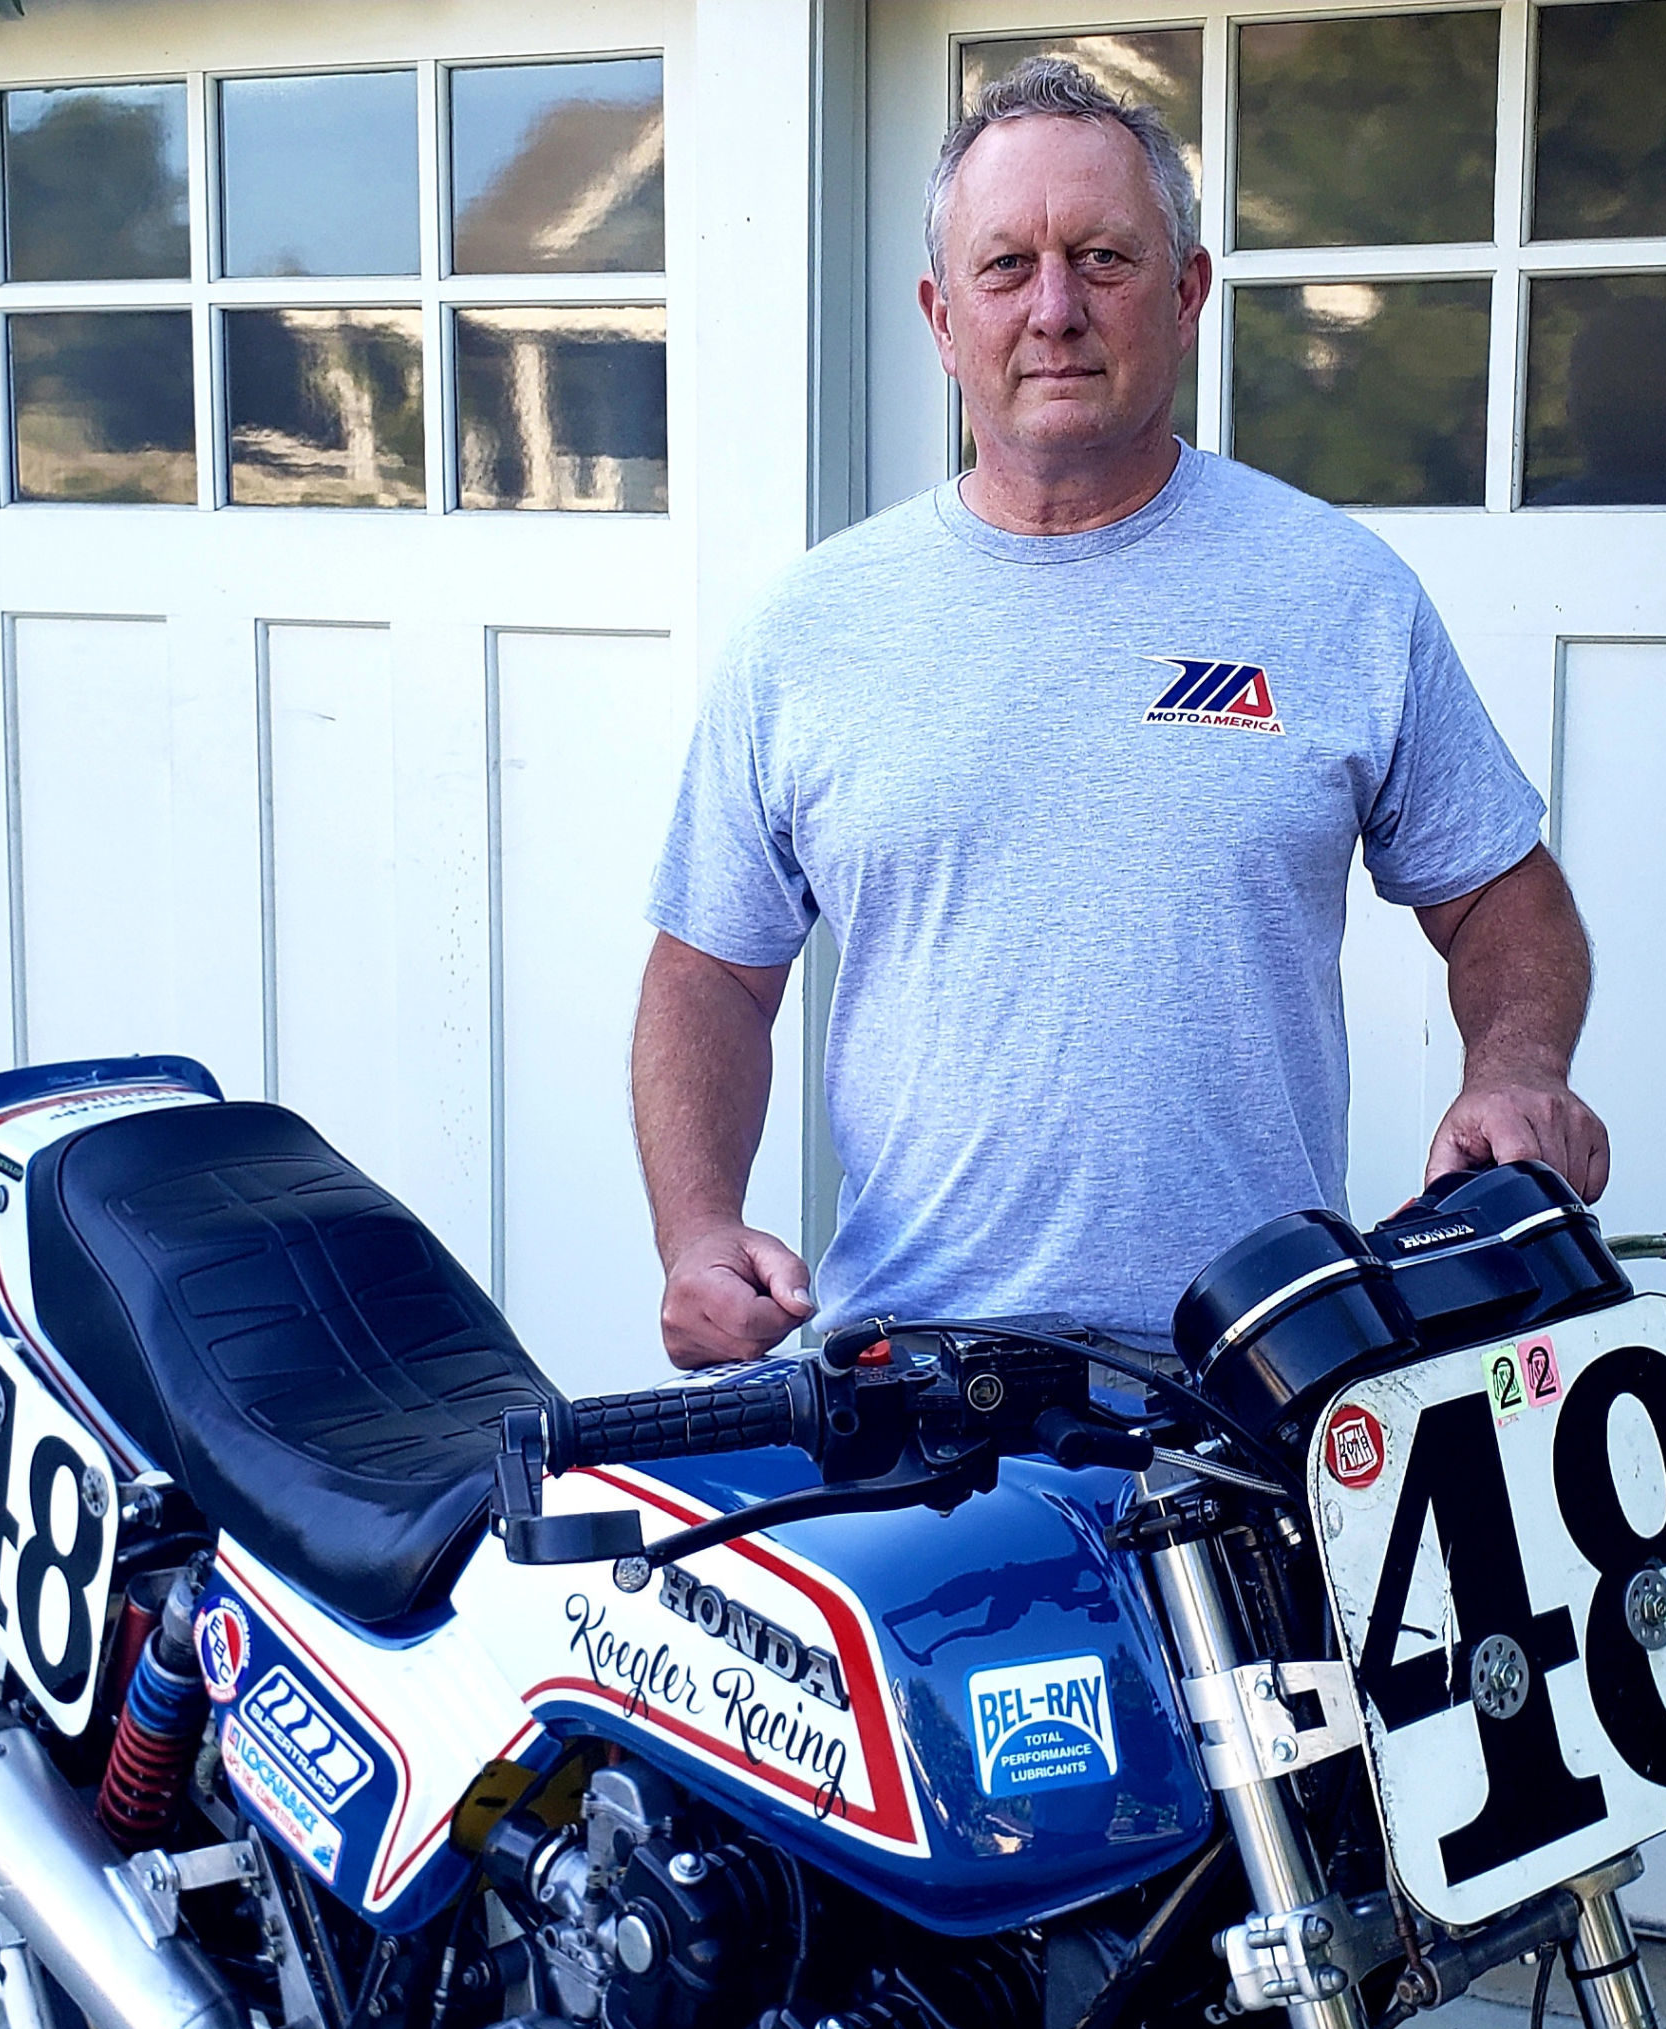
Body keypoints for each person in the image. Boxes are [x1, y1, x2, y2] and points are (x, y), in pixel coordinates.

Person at [632, 58, 1608, 1372]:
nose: (1054, 309)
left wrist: (1516, 1064)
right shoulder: (812, 631)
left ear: (1190, 292)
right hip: (911, 1391)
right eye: (1006, 267)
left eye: (1103, 258)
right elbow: (708, 972)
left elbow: (1504, 896)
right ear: (938, 316)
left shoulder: (1338, 597)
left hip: (1269, 1382)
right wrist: (697, 1230)